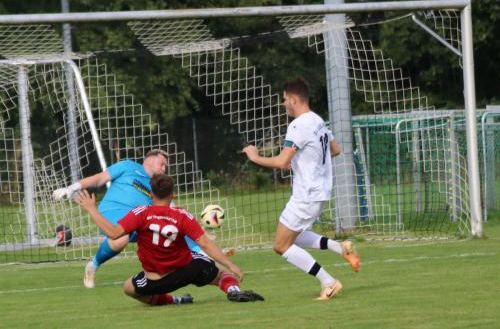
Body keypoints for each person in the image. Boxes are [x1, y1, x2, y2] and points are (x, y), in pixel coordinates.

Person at [242, 78, 361, 301]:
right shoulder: (318, 121)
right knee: (292, 238)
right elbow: (334, 150)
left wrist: (255, 156)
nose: (284, 103)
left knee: (281, 245)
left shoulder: (298, 125)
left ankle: (329, 282)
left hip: (306, 195)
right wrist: (301, 162)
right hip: (319, 192)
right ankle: (340, 247)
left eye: (285, 99)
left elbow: (280, 161)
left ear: (294, 99)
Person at [75, 173, 264, 304]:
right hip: (186, 271)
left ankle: (175, 300)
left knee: (129, 289)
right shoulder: (182, 215)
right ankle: (233, 291)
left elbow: (113, 233)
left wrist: (92, 209)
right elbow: (205, 243)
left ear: (150, 194)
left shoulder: (140, 213)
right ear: (172, 194)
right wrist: (232, 266)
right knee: (221, 273)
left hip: (155, 280)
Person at [52, 149, 202, 288]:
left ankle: (202, 253)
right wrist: (71, 188)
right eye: (162, 164)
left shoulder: (158, 186)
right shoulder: (128, 166)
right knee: (121, 238)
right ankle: (93, 266)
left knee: (170, 229)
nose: (164, 168)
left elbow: (173, 216)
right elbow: (99, 179)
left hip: (138, 223)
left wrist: (196, 233)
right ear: (149, 159)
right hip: (112, 213)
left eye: (165, 167)